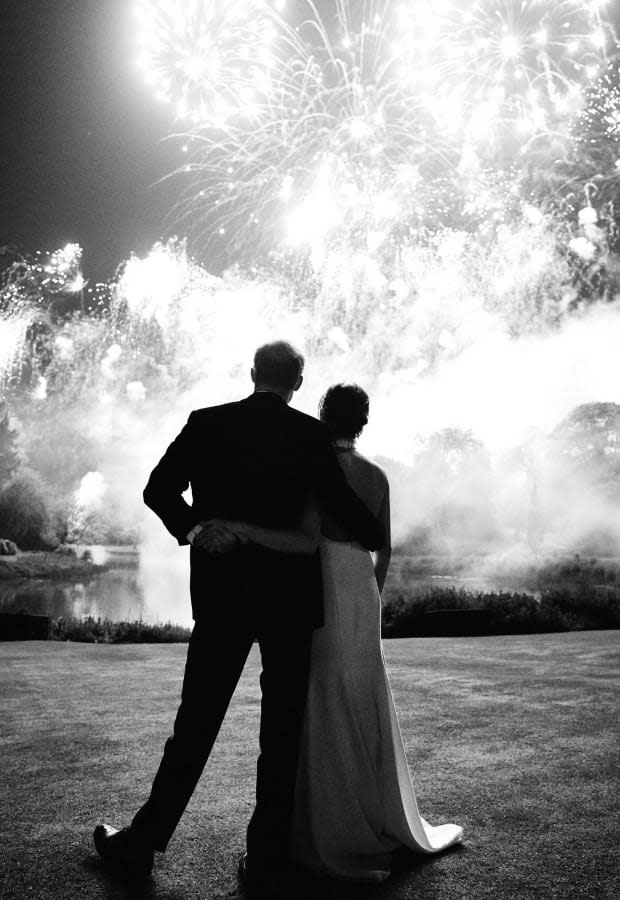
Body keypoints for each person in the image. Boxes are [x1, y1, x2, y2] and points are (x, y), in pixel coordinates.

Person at [93, 342, 385, 898]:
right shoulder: (308, 436)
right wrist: (371, 532)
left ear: (252, 374)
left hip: (223, 595)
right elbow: (343, 508)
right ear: (298, 382)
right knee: (279, 733)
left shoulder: (207, 423)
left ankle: (141, 845)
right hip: (290, 603)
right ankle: (266, 859)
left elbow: (158, 490)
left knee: (194, 726)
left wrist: (200, 529)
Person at [215, 384, 463, 884]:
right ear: (363, 423)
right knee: (359, 694)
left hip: (316, 580)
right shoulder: (376, 475)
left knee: (315, 697)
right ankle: (370, 813)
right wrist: (371, 597)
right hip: (360, 586)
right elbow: (385, 548)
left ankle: (314, 826)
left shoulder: (310, 467)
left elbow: (303, 536)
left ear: (323, 416)